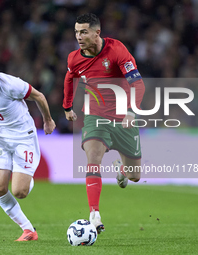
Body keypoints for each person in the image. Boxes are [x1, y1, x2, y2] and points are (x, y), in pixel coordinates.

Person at [63, 13, 145, 234]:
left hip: (123, 116)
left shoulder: (117, 50)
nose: (78, 37)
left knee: (134, 176)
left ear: (97, 32)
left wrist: (130, 110)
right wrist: (67, 107)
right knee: (93, 157)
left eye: (83, 32)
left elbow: (138, 84)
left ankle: (121, 169)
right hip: (94, 115)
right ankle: (94, 214)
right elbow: (70, 78)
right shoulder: (74, 58)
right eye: (76, 32)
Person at [0, 49, 56, 241]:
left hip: (24, 136)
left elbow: (38, 96)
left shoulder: (10, 84)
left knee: (19, 192)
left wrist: (48, 120)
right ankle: (28, 230)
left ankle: (26, 176)